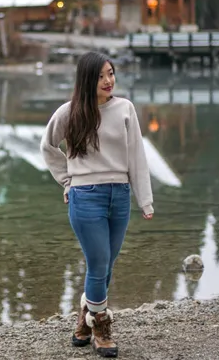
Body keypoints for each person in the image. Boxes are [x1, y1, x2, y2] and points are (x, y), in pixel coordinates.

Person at [40, 51, 153, 358]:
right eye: (101, 76)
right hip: (85, 195)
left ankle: (84, 316)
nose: (108, 81)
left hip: (120, 195)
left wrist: (145, 199)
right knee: (99, 262)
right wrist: (67, 181)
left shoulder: (125, 108)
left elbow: (137, 157)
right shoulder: (69, 112)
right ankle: (101, 328)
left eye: (111, 73)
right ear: (88, 79)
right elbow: (48, 147)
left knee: (105, 266)